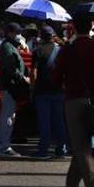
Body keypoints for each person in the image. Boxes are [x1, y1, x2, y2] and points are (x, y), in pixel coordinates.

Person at [51, 16, 94, 187]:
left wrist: (64, 86)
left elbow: (55, 77)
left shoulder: (68, 50)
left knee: (81, 148)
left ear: (75, 28)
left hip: (74, 101)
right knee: (82, 145)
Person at [31, 26, 66, 158]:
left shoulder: (37, 51)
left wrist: (32, 88)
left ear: (41, 36)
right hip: (59, 90)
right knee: (59, 121)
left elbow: (33, 72)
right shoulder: (61, 51)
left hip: (42, 90)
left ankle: (43, 149)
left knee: (44, 121)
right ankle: (61, 148)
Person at [0, 22, 28, 157]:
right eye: (17, 32)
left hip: (9, 86)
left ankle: (1, 146)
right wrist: (23, 78)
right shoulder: (8, 48)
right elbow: (11, 69)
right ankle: (3, 147)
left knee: (7, 116)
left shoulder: (10, 46)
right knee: (8, 117)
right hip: (9, 85)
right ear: (10, 33)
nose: (19, 35)